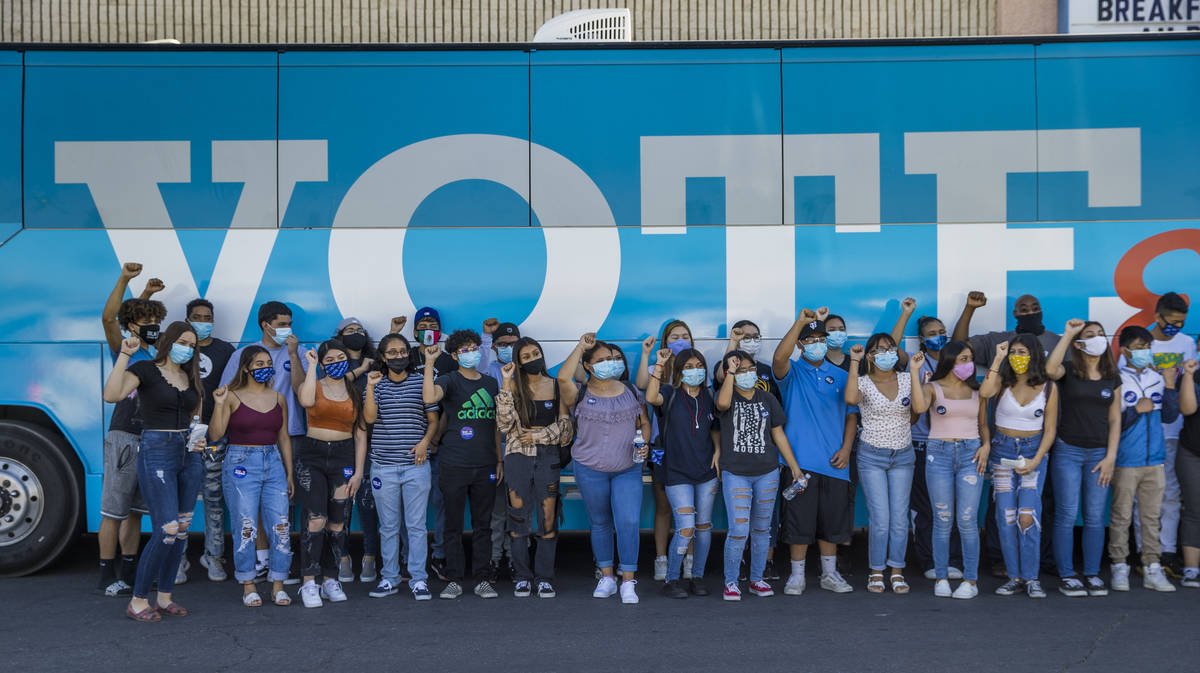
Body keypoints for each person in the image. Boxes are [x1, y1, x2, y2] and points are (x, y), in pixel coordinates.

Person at [103, 322, 203, 622]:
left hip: (189, 453)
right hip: (156, 450)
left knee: (182, 531)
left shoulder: (189, 375)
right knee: (167, 529)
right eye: (183, 341)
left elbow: (194, 414)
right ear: (169, 341)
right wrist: (124, 354)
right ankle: (137, 601)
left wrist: (199, 435)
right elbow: (112, 394)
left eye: (192, 344)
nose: (187, 347)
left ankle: (164, 597)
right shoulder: (145, 369)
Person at [559, 333, 652, 604]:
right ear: (588, 366)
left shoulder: (632, 391)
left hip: (627, 468)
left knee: (629, 522)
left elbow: (643, 422)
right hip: (589, 468)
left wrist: (644, 441)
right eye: (601, 360)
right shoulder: (580, 391)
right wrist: (580, 347)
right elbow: (563, 378)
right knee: (600, 523)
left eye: (612, 359)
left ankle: (628, 581)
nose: (609, 363)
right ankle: (607, 577)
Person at [771, 309, 858, 596]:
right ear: (801, 344)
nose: (817, 343)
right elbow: (778, 359)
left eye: (822, 338)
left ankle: (829, 574)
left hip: (835, 463)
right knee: (798, 522)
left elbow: (850, 416)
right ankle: (797, 576)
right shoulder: (792, 372)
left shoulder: (842, 375)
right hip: (799, 464)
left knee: (831, 524)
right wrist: (800, 322)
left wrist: (846, 448)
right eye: (811, 339)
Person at [97, 262, 165, 597]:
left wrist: (149, 296)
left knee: (136, 512)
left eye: (156, 322)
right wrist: (125, 279)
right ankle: (106, 573)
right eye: (147, 322)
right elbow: (112, 318)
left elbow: (133, 316)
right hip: (124, 436)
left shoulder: (158, 353)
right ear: (132, 327)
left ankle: (129, 568)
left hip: (151, 438)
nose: (152, 326)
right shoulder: (124, 348)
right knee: (114, 509)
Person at [207, 347, 293, 607]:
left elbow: (284, 437)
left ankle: (278, 584)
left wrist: (289, 473)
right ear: (246, 368)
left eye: (268, 362)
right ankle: (248, 584)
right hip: (240, 463)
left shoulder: (279, 398)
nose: (265, 367)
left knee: (281, 525)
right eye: (258, 363)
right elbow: (215, 434)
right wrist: (219, 405)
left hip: (273, 462)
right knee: (246, 527)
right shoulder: (231, 396)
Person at [715, 350, 804, 601]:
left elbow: (778, 435)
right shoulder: (726, 396)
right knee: (738, 529)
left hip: (767, 472)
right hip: (736, 474)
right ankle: (731, 582)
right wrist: (731, 371)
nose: (747, 375)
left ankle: (757, 579)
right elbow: (721, 405)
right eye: (740, 370)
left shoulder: (767, 399)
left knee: (763, 529)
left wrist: (794, 467)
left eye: (750, 369)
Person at [422, 330, 503, 600]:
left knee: (483, 525)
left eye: (475, 348)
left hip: (485, 463)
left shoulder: (492, 384)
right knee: (453, 525)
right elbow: (430, 398)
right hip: (453, 463)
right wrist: (430, 362)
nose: (473, 353)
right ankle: (454, 579)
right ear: (455, 355)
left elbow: (494, 426)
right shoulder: (449, 380)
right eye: (466, 349)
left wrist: (499, 459)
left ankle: (482, 579)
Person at [1045, 319, 1122, 597]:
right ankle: (1067, 574)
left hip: (1099, 455)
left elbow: (1115, 420)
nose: (1098, 338)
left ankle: (1092, 573)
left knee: (1094, 516)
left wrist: (1111, 456)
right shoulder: (1070, 372)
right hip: (1068, 450)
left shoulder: (1113, 376)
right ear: (1080, 343)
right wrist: (1067, 335)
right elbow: (1050, 369)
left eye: (1101, 334)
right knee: (1066, 514)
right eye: (1090, 335)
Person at [846, 335, 927, 594]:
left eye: (890, 349)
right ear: (870, 355)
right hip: (871, 456)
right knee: (881, 519)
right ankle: (877, 571)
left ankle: (897, 571)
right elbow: (849, 399)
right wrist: (854, 362)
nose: (886, 353)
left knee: (900, 520)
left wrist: (914, 372)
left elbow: (920, 407)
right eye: (879, 350)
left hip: (903, 456)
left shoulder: (906, 378)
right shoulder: (863, 382)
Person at [979, 334, 1059, 598]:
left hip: (1032, 454)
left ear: (1035, 354)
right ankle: (1014, 576)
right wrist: (998, 357)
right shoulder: (1002, 383)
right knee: (1006, 517)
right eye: (1013, 352)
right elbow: (984, 392)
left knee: (1028, 517)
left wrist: (1036, 460)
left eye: (1022, 352)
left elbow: (1050, 431)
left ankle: (1031, 578)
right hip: (1002, 452)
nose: (1017, 357)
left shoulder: (1048, 388)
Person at [361, 333, 439, 601]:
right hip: (383, 467)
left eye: (402, 351)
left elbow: (433, 420)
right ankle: (390, 577)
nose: (398, 356)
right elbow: (369, 418)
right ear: (383, 357)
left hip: (416, 465)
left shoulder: (420, 382)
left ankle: (419, 579)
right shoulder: (376, 385)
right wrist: (370, 386)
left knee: (416, 526)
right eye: (392, 352)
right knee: (389, 527)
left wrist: (424, 444)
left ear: (409, 353)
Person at [890, 299, 964, 580]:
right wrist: (905, 314)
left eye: (942, 331)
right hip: (921, 445)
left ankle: (953, 560)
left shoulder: (958, 363)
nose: (939, 336)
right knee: (925, 509)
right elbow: (892, 347)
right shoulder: (915, 363)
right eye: (933, 333)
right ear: (921, 339)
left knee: (952, 507)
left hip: (953, 444)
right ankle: (930, 560)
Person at [1123, 292, 1196, 576]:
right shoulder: (1139, 345)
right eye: (1172, 322)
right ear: (1157, 316)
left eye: (1181, 322)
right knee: (1144, 496)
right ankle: (1145, 553)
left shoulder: (1187, 344)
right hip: (1143, 433)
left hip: (1176, 429)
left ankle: (1166, 552)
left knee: (1172, 494)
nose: (1176, 327)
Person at [496, 337, 574, 599]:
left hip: (548, 458)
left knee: (548, 518)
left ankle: (544, 578)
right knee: (518, 518)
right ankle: (522, 577)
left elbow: (565, 430)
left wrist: (538, 436)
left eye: (535, 353)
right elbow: (505, 426)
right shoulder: (513, 389)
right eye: (525, 357)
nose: (532, 359)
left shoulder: (555, 386)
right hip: (517, 458)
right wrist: (506, 383)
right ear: (518, 362)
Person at [1109, 325, 1180, 592]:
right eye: (1138, 347)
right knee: (1121, 516)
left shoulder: (1157, 378)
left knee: (1151, 517)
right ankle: (1119, 566)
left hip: (1155, 460)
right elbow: (1112, 423)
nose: (1143, 352)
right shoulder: (1117, 378)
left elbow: (1170, 416)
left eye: (1146, 347)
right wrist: (1136, 410)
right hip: (1127, 460)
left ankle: (1152, 566)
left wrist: (1171, 386)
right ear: (1125, 351)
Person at [646, 346, 719, 598]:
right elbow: (650, 397)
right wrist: (659, 365)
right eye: (688, 367)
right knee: (686, 527)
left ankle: (697, 576)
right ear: (678, 372)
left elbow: (715, 429)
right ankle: (672, 579)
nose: (694, 371)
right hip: (676, 473)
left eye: (699, 366)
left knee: (704, 527)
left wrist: (718, 451)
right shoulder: (669, 393)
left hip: (706, 472)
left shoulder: (709, 395)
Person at [294, 340, 363, 608]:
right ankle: (309, 582)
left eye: (341, 357)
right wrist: (311, 367)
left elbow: (360, 434)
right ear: (323, 363)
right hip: (312, 455)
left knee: (337, 522)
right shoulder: (314, 384)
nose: (336, 363)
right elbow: (306, 400)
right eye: (330, 359)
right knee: (315, 519)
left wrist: (358, 472)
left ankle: (331, 578)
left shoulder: (355, 392)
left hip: (344, 457)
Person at [919, 340, 989, 599]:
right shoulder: (932, 388)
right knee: (943, 519)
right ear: (949, 361)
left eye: (970, 358)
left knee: (968, 520)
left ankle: (970, 580)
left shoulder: (978, 390)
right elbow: (916, 408)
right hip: (939, 454)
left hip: (972, 453)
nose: (968, 363)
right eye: (962, 358)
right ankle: (941, 577)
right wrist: (916, 379)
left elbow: (983, 425)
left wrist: (987, 445)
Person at [179, 298, 235, 584]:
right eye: (197, 316)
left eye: (207, 316)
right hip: (181, 435)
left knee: (214, 499)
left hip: (214, 435)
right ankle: (178, 560)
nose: (203, 321)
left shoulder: (225, 350)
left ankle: (214, 556)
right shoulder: (178, 349)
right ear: (187, 319)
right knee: (181, 499)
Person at [637, 319, 694, 582]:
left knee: (690, 511)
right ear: (665, 342)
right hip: (662, 449)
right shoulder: (656, 368)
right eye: (674, 337)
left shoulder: (697, 370)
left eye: (684, 336)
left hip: (693, 449)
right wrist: (647, 354)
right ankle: (661, 558)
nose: (680, 340)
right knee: (664, 508)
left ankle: (689, 561)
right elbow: (640, 385)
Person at [407, 306, 456, 580]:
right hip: (409, 444)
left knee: (441, 502)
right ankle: (408, 559)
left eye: (433, 324)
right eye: (422, 324)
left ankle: (438, 556)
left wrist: (435, 437)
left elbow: (450, 403)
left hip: (441, 444)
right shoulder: (403, 356)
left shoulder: (448, 361)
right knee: (408, 505)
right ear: (414, 332)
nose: (427, 328)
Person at [330, 316, 379, 584]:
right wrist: (361, 370)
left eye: (360, 330)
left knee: (367, 504)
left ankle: (370, 557)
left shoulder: (376, 361)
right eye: (350, 330)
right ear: (339, 335)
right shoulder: (335, 362)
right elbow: (335, 384)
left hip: (370, 442)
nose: (356, 334)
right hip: (339, 441)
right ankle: (343, 557)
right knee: (341, 505)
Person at [477, 319, 519, 581]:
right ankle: (493, 560)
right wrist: (486, 336)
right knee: (496, 512)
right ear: (494, 347)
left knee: (519, 511)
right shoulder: (488, 370)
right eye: (502, 345)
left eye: (512, 345)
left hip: (522, 449)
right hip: (493, 448)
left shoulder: (527, 370)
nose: (508, 349)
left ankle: (517, 561)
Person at [1176, 359, 1200, 587]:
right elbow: (1187, 408)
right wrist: (1190, 375)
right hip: (1193, 451)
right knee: (1195, 509)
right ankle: (1192, 570)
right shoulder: (1191, 376)